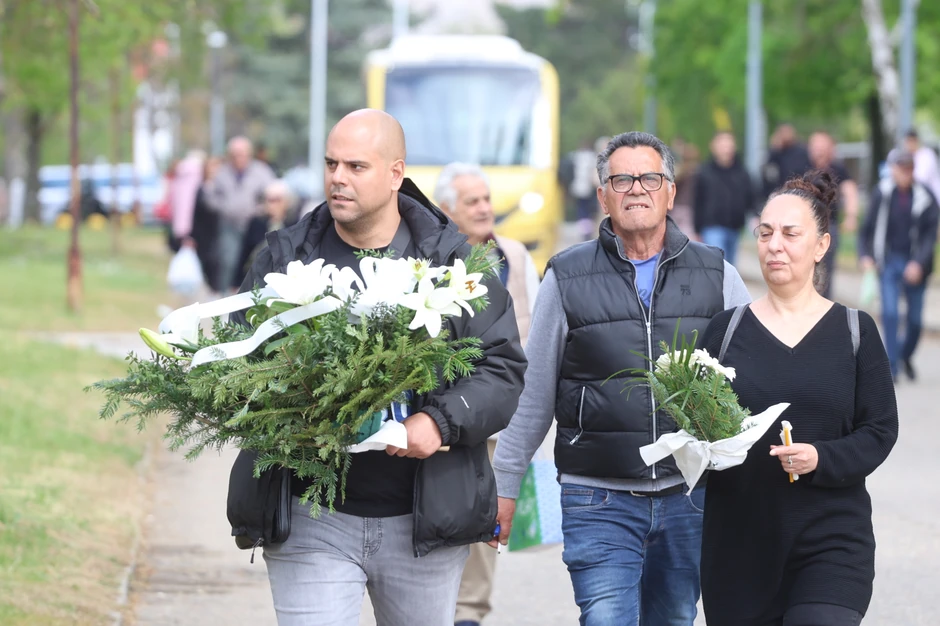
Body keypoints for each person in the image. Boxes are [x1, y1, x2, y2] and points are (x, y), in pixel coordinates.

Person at [227, 109, 527, 626]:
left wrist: (440, 421)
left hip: (423, 522)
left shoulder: (450, 263)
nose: (337, 178)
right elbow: (237, 356)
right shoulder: (284, 258)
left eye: (356, 166)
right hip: (310, 517)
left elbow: (501, 368)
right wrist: (282, 400)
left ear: (395, 173)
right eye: (331, 163)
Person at [491, 131, 751, 625]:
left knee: (674, 618)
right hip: (597, 496)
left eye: (650, 178)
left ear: (671, 192)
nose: (636, 188)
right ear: (603, 194)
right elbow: (535, 392)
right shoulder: (566, 277)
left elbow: (753, 384)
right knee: (607, 618)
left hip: (689, 495)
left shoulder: (717, 273)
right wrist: (504, 485)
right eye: (621, 179)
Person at [699, 170, 899, 625]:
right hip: (739, 547)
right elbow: (694, 427)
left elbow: (881, 430)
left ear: (822, 245)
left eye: (791, 234)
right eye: (765, 233)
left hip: (831, 542)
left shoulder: (854, 331)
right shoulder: (725, 332)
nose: (775, 245)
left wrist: (821, 458)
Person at [433, 162, 540, 626]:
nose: (484, 208)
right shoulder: (430, 260)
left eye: (486, 199)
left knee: (484, 515)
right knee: (436, 512)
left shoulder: (513, 256)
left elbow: (535, 333)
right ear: (446, 210)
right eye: (472, 201)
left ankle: (468, 614)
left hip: (500, 414)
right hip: (441, 414)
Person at [859, 149, 939, 382]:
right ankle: (892, 367)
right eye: (900, 167)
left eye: (909, 168)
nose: (905, 172)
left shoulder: (925, 196)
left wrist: (918, 264)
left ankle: (904, 355)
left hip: (916, 263)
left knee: (915, 321)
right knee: (891, 313)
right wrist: (865, 255)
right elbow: (867, 229)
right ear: (892, 169)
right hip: (889, 260)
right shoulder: (882, 194)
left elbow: (929, 237)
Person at [203, 136, 276, 293]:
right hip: (230, 225)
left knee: (254, 260)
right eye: (235, 154)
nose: (239, 158)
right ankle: (225, 296)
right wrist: (225, 207)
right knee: (228, 261)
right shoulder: (222, 173)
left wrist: (260, 209)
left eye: (242, 154)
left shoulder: (261, 172)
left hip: (255, 225)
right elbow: (210, 197)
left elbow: (272, 193)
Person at [807, 131, 859, 298]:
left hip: (829, 226)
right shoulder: (802, 167)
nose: (818, 151)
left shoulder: (838, 169)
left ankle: (823, 305)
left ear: (831, 149)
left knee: (826, 269)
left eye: (822, 147)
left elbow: (850, 191)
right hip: (805, 226)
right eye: (815, 147)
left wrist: (851, 216)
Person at [694, 131, 756, 266]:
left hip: (735, 226)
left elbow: (750, 196)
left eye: (729, 144)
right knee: (718, 263)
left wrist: (755, 215)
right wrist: (697, 229)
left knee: (731, 267)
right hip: (712, 225)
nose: (726, 148)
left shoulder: (741, 172)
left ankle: (725, 287)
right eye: (722, 144)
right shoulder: (705, 172)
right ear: (714, 147)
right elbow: (698, 201)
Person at [762, 123, 812, 201]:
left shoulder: (801, 152)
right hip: (778, 194)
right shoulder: (775, 153)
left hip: (797, 194)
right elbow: (768, 175)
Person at [568, 140, 602, 241]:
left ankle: (585, 234)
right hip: (589, 190)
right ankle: (588, 233)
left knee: (582, 213)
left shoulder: (575, 157)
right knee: (590, 213)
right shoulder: (592, 158)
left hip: (578, 189)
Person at [903, 128, 940, 202]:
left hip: (933, 199)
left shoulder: (926, 154)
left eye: (910, 141)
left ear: (916, 141)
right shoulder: (909, 156)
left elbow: (921, 177)